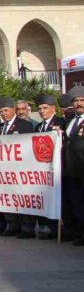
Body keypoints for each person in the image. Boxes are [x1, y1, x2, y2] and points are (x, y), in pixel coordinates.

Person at [0, 96, 34, 237]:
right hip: (5, 171)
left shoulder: (24, 125)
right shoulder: (0, 128)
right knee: (8, 198)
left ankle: (27, 227)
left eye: (6, 110)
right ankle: (12, 224)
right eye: (1, 111)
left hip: (20, 169)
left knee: (22, 198)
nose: (4, 113)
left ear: (13, 110)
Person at [32, 94, 65, 240]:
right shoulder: (38, 127)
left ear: (53, 108)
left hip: (57, 169)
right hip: (42, 171)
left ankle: (57, 228)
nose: (41, 111)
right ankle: (45, 226)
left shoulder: (61, 122)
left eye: (45, 108)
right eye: (39, 109)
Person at [63, 86, 84, 246]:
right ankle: (79, 232)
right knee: (76, 204)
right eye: (75, 101)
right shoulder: (70, 121)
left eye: (81, 100)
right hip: (71, 169)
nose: (78, 104)